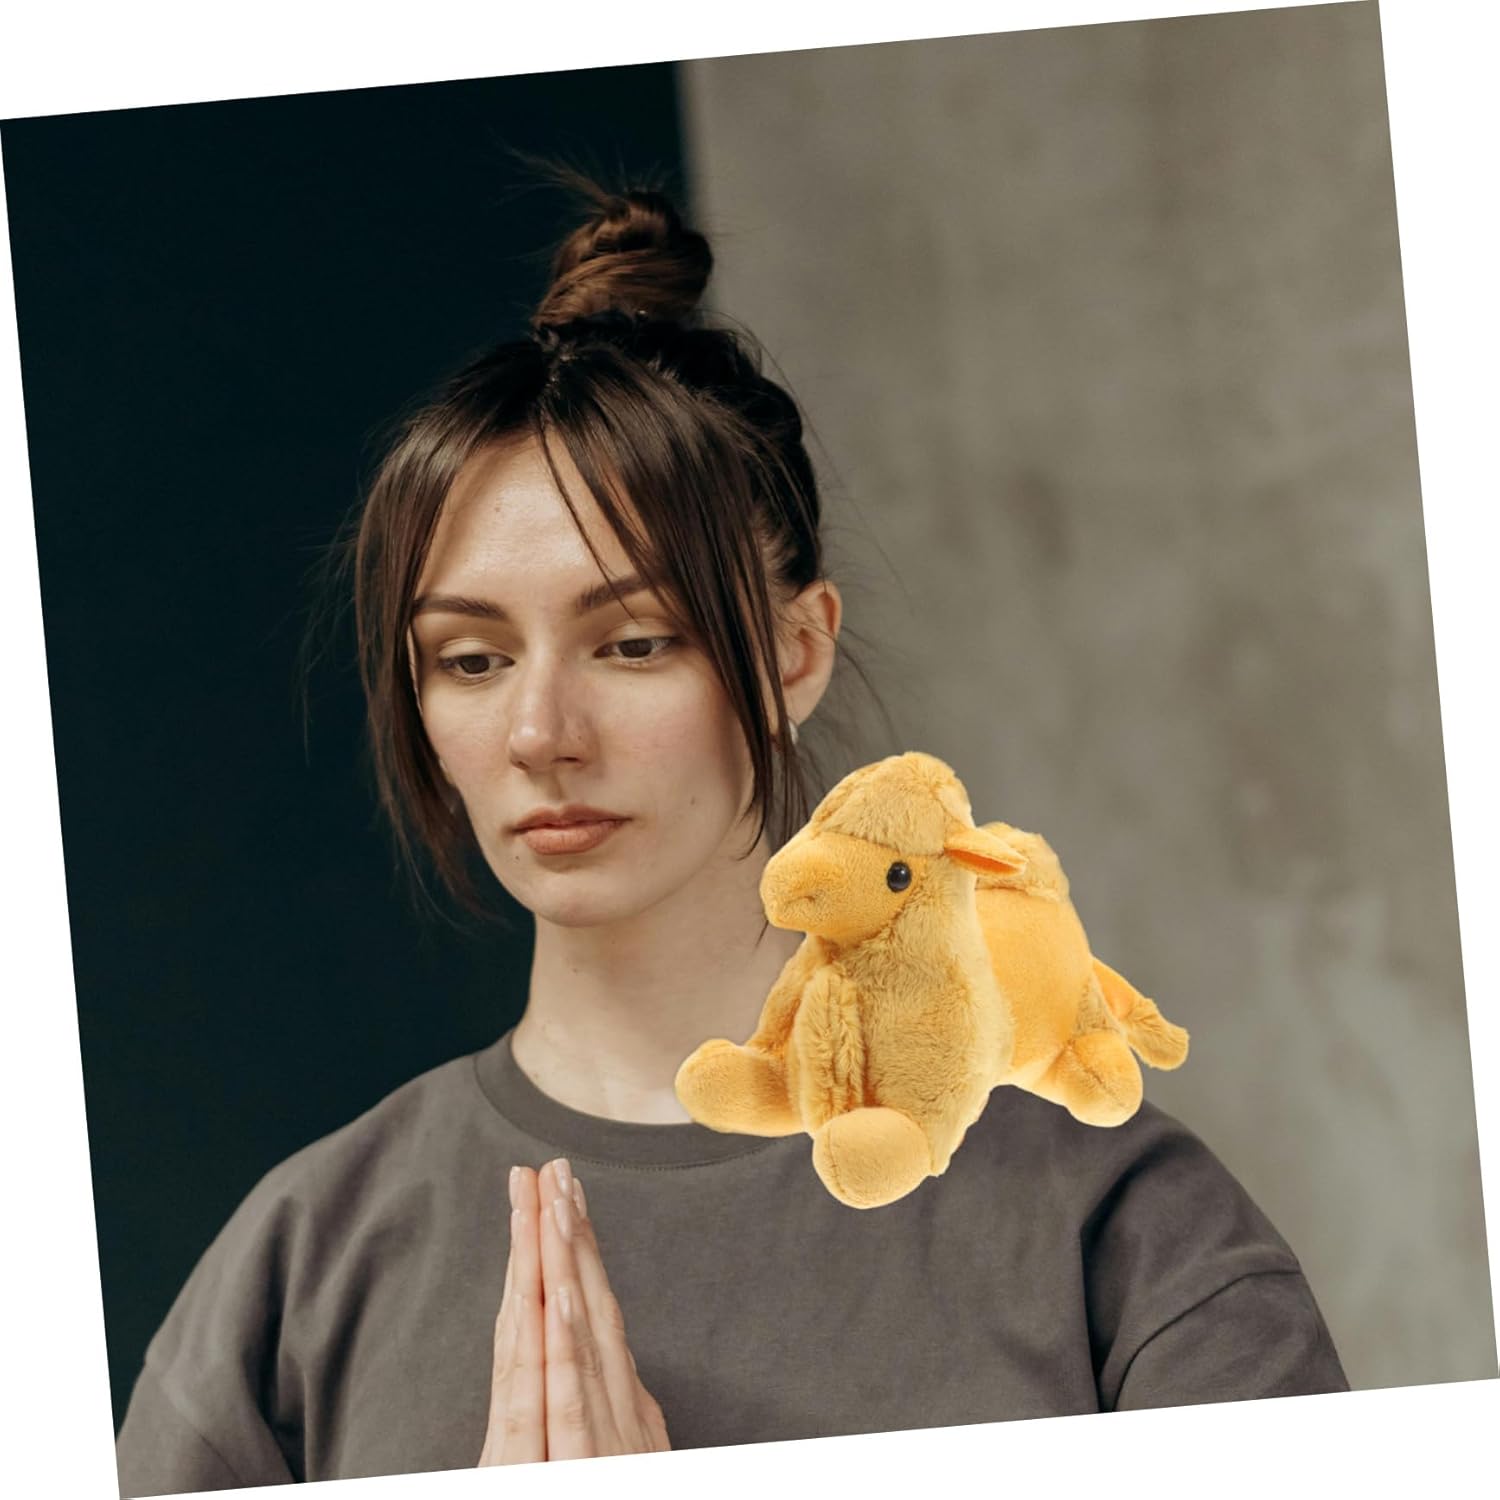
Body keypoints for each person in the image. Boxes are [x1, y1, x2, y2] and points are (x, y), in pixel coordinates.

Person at [113, 172, 1348, 1495]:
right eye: (470, 660)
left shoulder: (1120, 1234)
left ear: (793, 652)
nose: (540, 731)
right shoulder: (297, 1273)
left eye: (634, 643)